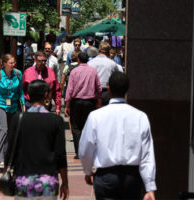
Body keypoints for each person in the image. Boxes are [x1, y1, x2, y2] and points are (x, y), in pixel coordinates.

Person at [79, 71, 156, 200]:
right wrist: (150, 186)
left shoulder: (96, 116)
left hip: (105, 177)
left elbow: (85, 148)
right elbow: (147, 154)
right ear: (127, 89)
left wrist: (87, 171)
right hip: (131, 178)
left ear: (108, 88)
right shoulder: (140, 116)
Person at [0, 80, 69, 200]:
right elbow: (60, 155)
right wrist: (65, 182)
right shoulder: (56, 121)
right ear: (46, 95)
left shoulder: (18, 119)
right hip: (48, 183)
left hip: (23, 182)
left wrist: (4, 176)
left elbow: (10, 150)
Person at [0, 54, 25, 171]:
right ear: (4, 64)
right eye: (11, 63)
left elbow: (20, 92)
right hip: (0, 105)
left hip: (13, 106)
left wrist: (23, 104)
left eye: (14, 63)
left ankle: (11, 158)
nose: (13, 65)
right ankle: (0, 159)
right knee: (4, 129)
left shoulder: (18, 74)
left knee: (12, 133)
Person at [65, 52, 102, 159]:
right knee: (88, 127)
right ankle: (88, 151)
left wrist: (67, 104)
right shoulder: (93, 71)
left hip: (76, 102)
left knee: (76, 128)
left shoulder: (74, 71)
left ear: (79, 60)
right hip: (90, 102)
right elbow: (98, 88)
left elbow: (70, 89)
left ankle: (79, 152)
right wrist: (99, 102)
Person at [23, 51, 61, 115]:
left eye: (44, 61)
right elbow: (22, 90)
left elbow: (56, 90)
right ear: (35, 60)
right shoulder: (28, 72)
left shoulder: (50, 72)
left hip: (46, 104)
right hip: (31, 104)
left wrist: (58, 107)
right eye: (40, 61)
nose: (43, 63)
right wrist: (23, 104)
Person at [88, 42, 122, 106]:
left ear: (99, 50)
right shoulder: (112, 64)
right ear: (109, 51)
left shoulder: (90, 63)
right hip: (107, 94)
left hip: (93, 93)